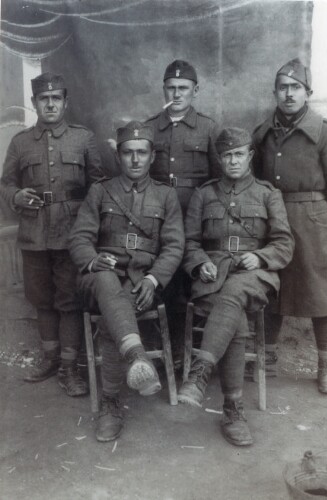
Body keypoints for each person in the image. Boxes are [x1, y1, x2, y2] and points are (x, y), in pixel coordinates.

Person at [69, 121, 184, 442]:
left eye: (141, 153)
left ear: (152, 156)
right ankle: (137, 357)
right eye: (128, 153)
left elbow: (174, 246)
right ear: (118, 156)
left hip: (141, 285)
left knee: (112, 317)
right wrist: (93, 259)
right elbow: (79, 239)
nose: (135, 159)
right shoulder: (100, 191)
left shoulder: (166, 196)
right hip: (100, 280)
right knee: (106, 282)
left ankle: (110, 404)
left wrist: (153, 279)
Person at [177, 127, 294, 446]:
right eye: (226, 155)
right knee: (235, 313)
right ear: (219, 158)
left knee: (235, 293)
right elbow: (189, 242)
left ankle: (201, 371)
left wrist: (260, 256)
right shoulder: (204, 194)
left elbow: (284, 244)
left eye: (238, 154)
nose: (232, 161)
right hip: (213, 275)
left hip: (256, 276)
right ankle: (233, 410)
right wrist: (200, 262)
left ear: (250, 156)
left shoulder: (268, 193)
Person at [0, 72, 103, 396]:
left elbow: (98, 186)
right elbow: (6, 183)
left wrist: (88, 226)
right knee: (41, 301)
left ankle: (70, 369)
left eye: (56, 98)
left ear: (65, 102)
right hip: (34, 233)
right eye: (44, 99)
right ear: (34, 103)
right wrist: (15, 197)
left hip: (72, 233)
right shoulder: (20, 142)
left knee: (69, 301)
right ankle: (50, 359)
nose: (50, 104)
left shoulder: (83, 139)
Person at [253, 58, 327, 393]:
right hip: (274, 218)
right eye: (283, 88)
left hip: (314, 220)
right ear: (275, 92)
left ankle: (326, 367)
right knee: (271, 288)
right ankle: (267, 358)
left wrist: (319, 214)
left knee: (322, 293)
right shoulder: (264, 133)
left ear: (308, 92)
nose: (289, 94)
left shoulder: (326, 131)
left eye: (296, 88)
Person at [146, 60, 221, 355]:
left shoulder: (209, 127)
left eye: (183, 89)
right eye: (171, 88)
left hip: (195, 218)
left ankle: (191, 352)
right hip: (159, 218)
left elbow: (218, 178)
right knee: (163, 282)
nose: (176, 95)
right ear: (164, 89)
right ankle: (165, 351)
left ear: (196, 90)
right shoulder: (151, 127)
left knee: (193, 284)